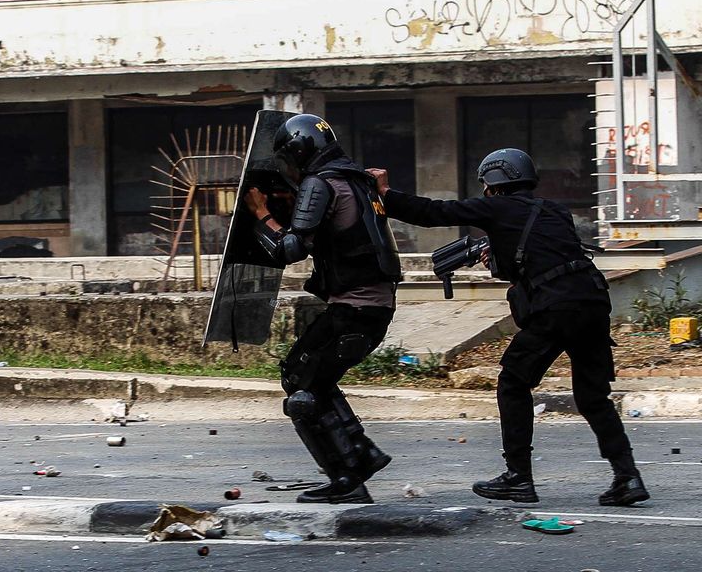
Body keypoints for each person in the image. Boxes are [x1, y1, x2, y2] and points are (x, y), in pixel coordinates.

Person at [367, 149, 648, 507]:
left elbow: (435, 212)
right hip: (592, 303)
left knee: (513, 383)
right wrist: (497, 257)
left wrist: (386, 194)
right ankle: (628, 477)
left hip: (555, 309)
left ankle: (518, 476)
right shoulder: (555, 211)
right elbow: (538, 259)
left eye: (485, 184)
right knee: (593, 398)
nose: (484, 191)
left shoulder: (497, 208)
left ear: (495, 182)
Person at [244, 114, 402, 504]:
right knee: (315, 377)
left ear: (299, 152)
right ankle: (362, 452)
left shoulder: (321, 183)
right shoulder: (357, 180)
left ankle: (346, 478)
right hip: (374, 309)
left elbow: (290, 250)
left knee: (300, 384)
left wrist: (261, 213)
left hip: (355, 308)